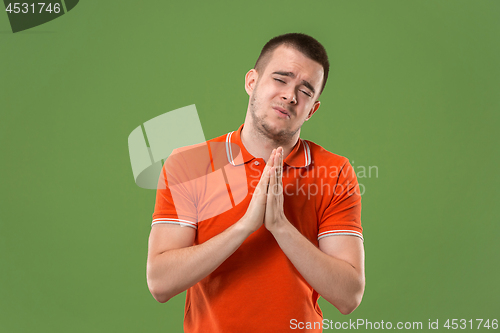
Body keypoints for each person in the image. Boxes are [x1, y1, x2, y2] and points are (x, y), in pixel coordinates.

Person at [147, 33, 365, 332]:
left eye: (305, 90)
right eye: (281, 79)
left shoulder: (334, 171)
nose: (290, 96)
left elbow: (348, 296)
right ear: (252, 81)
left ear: (312, 109)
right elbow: (160, 283)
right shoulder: (190, 164)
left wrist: (280, 227)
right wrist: (245, 226)